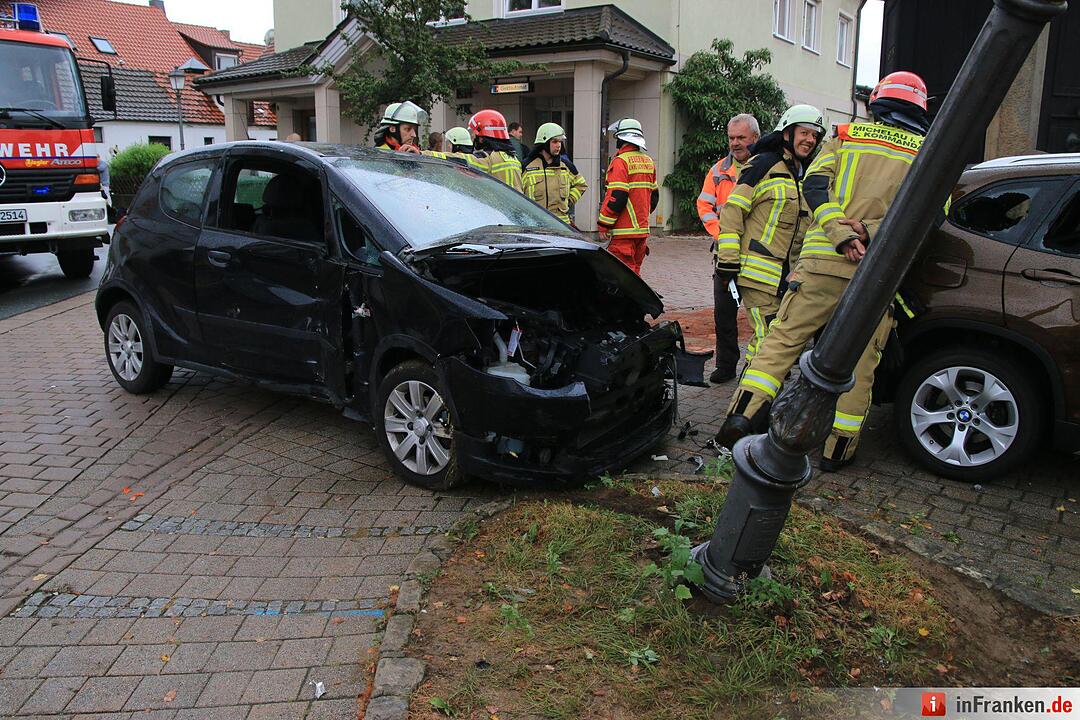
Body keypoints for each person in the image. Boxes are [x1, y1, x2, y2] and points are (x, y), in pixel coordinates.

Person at [717, 72, 932, 472]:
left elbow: (815, 188)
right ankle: (838, 452)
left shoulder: (847, 136)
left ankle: (740, 417)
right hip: (877, 275)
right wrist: (872, 232)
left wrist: (838, 232)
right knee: (861, 362)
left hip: (819, 265)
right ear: (920, 109)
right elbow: (933, 216)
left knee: (782, 342)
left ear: (878, 103)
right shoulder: (928, 152)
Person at [713, 105, 824, 374]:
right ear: (786, 133)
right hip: (758, 275)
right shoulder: (763, 164)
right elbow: (733, 210)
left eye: (815, 135)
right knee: (769, 340)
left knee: (771, 340)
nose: (810, 139)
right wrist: (728, 261)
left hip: (786, 279)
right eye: (804, 132)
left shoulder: (801, 174)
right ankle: (752, 407)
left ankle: (756, 395)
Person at [698, 113, 761, 384]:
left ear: (755, 139)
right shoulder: (719, 170)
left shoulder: (766, 168)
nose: (735, 143)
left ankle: (759, 367)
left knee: (762, 315)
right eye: (731, 138)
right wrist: (721, 235)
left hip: (759, 255)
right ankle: (726, 365)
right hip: (725, 254)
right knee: (724, 314)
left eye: (741, 138)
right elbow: (704, 206)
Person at [597, 118, 658, 275]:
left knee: (622, 277)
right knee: (635, 275)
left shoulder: (620, 162)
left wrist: (604, 224)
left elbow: (617, 197)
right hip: (642, 232)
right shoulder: (648, 161)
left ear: (622, 138)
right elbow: (654, 197)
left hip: (623, 234)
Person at [521, 122, 588, 225]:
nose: (559, 145)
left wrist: (568, 201)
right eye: (555, 141)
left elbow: (581, 185)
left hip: (561, 226)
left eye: (560, 142)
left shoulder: (565, 166)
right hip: (535, 226)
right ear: (544, 142)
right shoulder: (527, 166)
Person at [465, 110, 524, 191]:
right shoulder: (513, 157)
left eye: (474, 133)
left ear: (481, 137)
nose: (472, 136)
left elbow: (464, 159)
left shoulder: (488, 158)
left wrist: (441, 156)